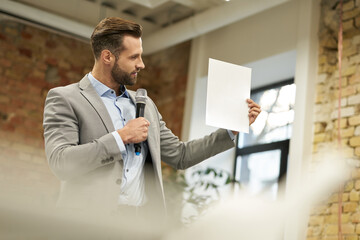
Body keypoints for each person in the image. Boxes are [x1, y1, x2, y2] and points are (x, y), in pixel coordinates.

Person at [43, 17, 261, 217]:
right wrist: (121, 137)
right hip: (87, 224)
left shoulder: (145, 105)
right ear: (107, 56)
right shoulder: (66, 99)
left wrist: (231, 131)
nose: (142, 64)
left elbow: (180, 155)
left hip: (141, 223)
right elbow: (61, 162)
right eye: (134, 57)